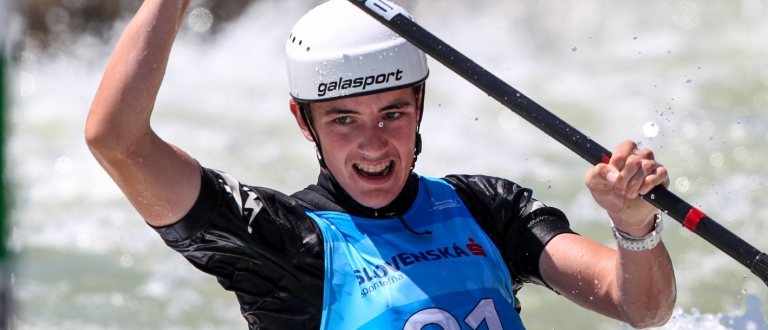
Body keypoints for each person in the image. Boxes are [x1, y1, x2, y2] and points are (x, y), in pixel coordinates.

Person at [85, 0, 676, 329]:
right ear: (303, 121)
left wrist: (632, 224)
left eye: (392, 113)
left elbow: (638, 306)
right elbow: (117, 139)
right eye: (343, 120)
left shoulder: (485, 209)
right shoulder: (283, 242)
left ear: (420, 104)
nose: (373, 143)